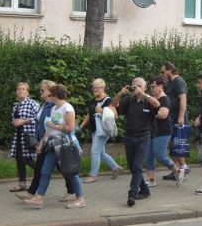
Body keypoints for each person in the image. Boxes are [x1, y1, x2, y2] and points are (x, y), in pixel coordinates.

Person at [23, 83, 85, 209]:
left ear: (56, 95)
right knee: (45, 171)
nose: (49, 96)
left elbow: (71, 128)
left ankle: (80, 199)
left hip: (66, 145)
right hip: (53, 145)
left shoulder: (67, 108)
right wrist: (41, 143)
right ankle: (39, 198)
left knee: (71, 173)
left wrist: (54, 126)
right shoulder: (54, 108)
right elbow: (48, 128)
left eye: (51, 94)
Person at [114, 77, 161, 206]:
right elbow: (113, 106)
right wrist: (120, 93)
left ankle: (133, 193)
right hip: (129, 137)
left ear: (145, 87)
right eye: (135, 86)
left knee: (137, 166)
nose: (137, 88)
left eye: (140, 86)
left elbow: (157, 104)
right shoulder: (129, 100)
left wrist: (144, 94)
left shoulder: (148, 101)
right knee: (132, 167)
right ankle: (145, 190)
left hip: (144, 137)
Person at [79, 78, 123, 183]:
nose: (94, 90)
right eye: (93, 87)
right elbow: (89, 114)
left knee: (94, 151)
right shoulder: (93, 100)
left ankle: (93, 175)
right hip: (95, 129)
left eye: (97, 87)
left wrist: (102, 110)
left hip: (103, 130)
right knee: (101, 152)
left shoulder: (108, 100)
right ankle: (116, 168)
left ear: (102, 88)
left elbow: (115, 115)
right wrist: (81, 126)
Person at [144, 76, 184, 187]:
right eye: (150, 87)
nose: (152, 89)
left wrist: (151, 113)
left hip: (163, 131)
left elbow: (163, 114)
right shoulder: (153, 99)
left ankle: (178, 171)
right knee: (149, 156)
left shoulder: (164, 99)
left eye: (154, 87)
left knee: (159, 155)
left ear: (161, 86)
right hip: (152, 130)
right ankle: (151, 180)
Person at [8, 81, 39, 191]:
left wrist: (23, 122)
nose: (21, 91)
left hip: (28, 136)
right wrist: (15, 122)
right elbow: (15, 119)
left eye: (23, 89)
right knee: (19, 159)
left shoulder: (32, 103)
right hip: (19, 136)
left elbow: (38, 119)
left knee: (28, 158)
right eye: (19, 89)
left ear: (27, 92)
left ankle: (43, 172)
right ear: (16, 92)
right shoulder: (15, 106)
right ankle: (22, 184)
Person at [162, 62, 190, 175]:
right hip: (171, 117)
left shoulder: (178, 81)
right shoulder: (170, 82)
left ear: (169, 70)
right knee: (171, 146)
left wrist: (181, 116)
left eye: (163, 72)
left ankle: (183, 167)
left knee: (176, 144)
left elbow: (183, 99)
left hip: (177, 118)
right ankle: (177, 171)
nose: (162, 74)